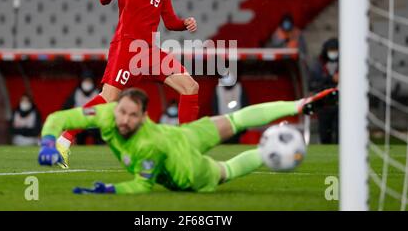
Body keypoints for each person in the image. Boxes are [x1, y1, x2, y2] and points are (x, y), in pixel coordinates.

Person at [56, 0, 200, 167]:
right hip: (128, 46)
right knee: (108, 99)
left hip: (151, 51)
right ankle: (64, 138)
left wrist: (184, 23)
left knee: (190, 86)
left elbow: (170, 21)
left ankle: (184, 148)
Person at [38, 87, 338, 194]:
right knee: (230, 150)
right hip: (184, 156)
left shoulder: (146, 144)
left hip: (184, 151)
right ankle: (270, 153)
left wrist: (110, 191)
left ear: (145, 117)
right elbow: (58, 118)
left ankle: (299, 105)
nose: (125, 119)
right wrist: (48, 142)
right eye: (122, 112)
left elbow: (141, 186)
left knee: (235, 127)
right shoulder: (104, 115)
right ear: (114, 109)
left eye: (132, 115)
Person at [309, 38, 339, 144]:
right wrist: (331, 79)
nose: (333, 52)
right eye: (331, 49)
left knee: (339, 132)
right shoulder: (318, 64)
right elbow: (313, 83)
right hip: (324, 103)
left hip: (338, 103)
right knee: (324, 133)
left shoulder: (344, 63)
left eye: (335, 49)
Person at [62, 70, 103, 145]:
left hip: (95, 125)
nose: (87, 83)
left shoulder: (99, 92)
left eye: (89, 81)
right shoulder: (75, 93)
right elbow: (65, 110)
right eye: (85, 80)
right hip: (80, 124)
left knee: (100, 139)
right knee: (78, 139)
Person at [212, 73, 250, 143]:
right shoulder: (218, 89)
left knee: (235, 140)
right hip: (222, 120)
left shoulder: (239, 88)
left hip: (236, 120)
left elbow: (245, 104)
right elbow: (215, 107)